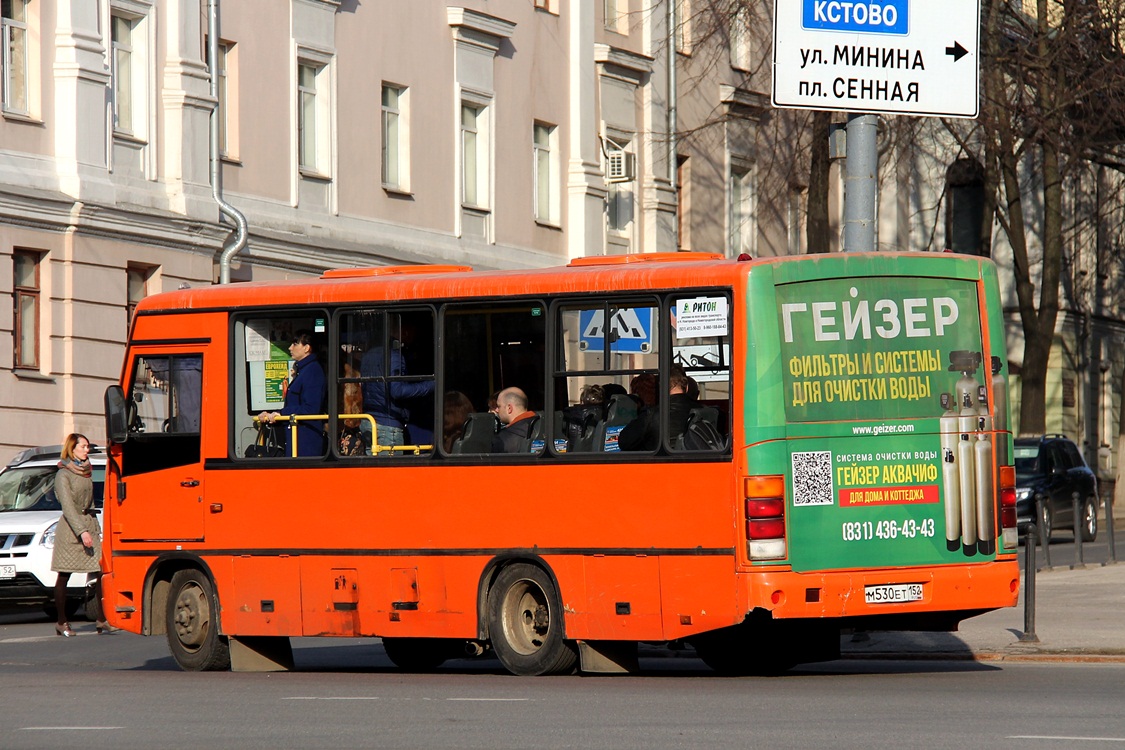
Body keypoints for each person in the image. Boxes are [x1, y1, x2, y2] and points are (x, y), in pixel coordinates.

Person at [51, 433, 109, 636]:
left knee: (99, 571)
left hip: (89, 524)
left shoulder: (86, 471)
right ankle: (61, 621)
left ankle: (102, 619)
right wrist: (82, 531)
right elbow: (68, 507)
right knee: (64, 574)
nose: (87, 450)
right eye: (83, 446)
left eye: (87, 447)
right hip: (70, 530)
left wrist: (94, 528)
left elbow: (90, 503)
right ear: (72, 449)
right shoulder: (63, 475)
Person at [361, 317, 435, 451]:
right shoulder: (394, 354)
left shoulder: (368, 354)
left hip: (368, 422)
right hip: (388, 426)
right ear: (403, 330)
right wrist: (431, 385)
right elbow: (397, 391)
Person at [259, 330, 327, 457]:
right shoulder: (304, 370)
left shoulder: (313, 371)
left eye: (295, 344)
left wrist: (281, 413)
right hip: (297, 437)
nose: (290, 348)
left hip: (306, 441)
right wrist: (272, 414)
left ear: (307, 348)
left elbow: (311, 408)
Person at [619, 366, 696, 451]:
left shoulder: (650, 415)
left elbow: (624, 442)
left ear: (661, 388)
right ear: (687, 387)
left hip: (661, 463)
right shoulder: (704, 411)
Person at [491, 387, 538, 453]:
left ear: (509, 408)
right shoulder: (546, 428)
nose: (497, 410)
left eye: (499, 406)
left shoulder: (502, 440)